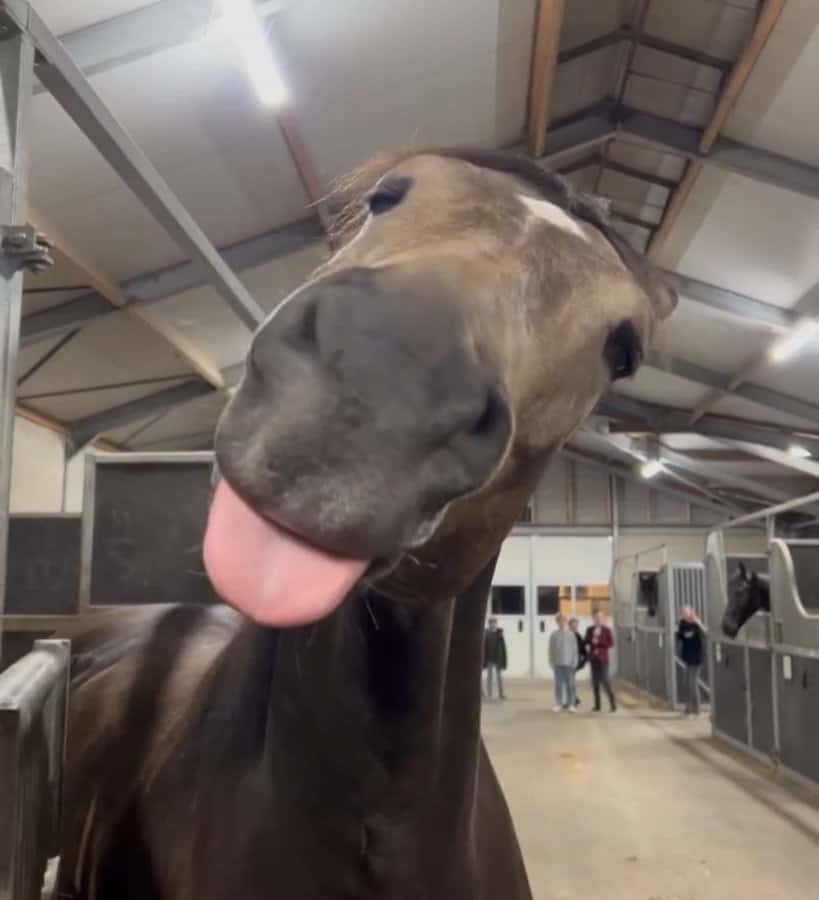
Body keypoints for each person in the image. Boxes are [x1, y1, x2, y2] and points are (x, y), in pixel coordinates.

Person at [677, 605, 706, 715]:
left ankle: (697, 709)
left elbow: (705, 632)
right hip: (687, 658)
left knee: (693, 683)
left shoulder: (696, 624)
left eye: (686, 612)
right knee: (686, 683)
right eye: (682, 612)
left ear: (691, 613)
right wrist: (680, 623)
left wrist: (698, 622)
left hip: (697, 658)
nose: (684, 614)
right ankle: (688, 708)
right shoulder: (683, 625)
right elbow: (679, 637)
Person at [585, 610, 616, 712]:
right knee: (595, 682)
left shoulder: (607, 630)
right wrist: (590, 644)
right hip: (593, 659)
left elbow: (611, 643)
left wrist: (599, 642)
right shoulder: (589, 629)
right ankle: (597, 706)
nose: (598, 619)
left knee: (605, 681)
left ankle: (612, 704)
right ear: (593, 618)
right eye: (596, 617)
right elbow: (586, 641)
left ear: (603, 618)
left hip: (603, 659)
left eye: (600, 617)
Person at [548, 614, 578, 712]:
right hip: (558, 664)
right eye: (559, 621)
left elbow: (574, 650)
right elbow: (551, 649)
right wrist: (551, 662)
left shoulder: (571, 634)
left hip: (569, 664)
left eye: (563, 621)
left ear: (566, 622)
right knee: (558, 685)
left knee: (571, 685)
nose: (561, 623)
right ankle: (558, 703)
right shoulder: (554, 635)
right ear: (557, 623)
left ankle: (571, 704)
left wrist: (574, 662)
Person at [483, 617, 507, 700]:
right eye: (491, 623)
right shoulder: (486, 633)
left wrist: (503, 659)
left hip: (497, 658)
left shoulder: (499, 633)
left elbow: (503, 647)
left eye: (494, 623)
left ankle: (501, 693)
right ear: (489, 624)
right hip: (489, 657)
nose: (493, 624)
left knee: (499, 676)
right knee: (489, 676)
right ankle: (489, 693)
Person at [569, 617, 587, 707]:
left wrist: (583, 662)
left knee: (570, 681)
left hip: (574, 662)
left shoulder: (578, 636)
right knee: (569, 681)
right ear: (569, 626)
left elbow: (583, 650)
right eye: (573, 626)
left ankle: (573, 699)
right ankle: (574, 699)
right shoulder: (567, 635)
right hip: (567, 661)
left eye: (576, 626)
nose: (574, 628)